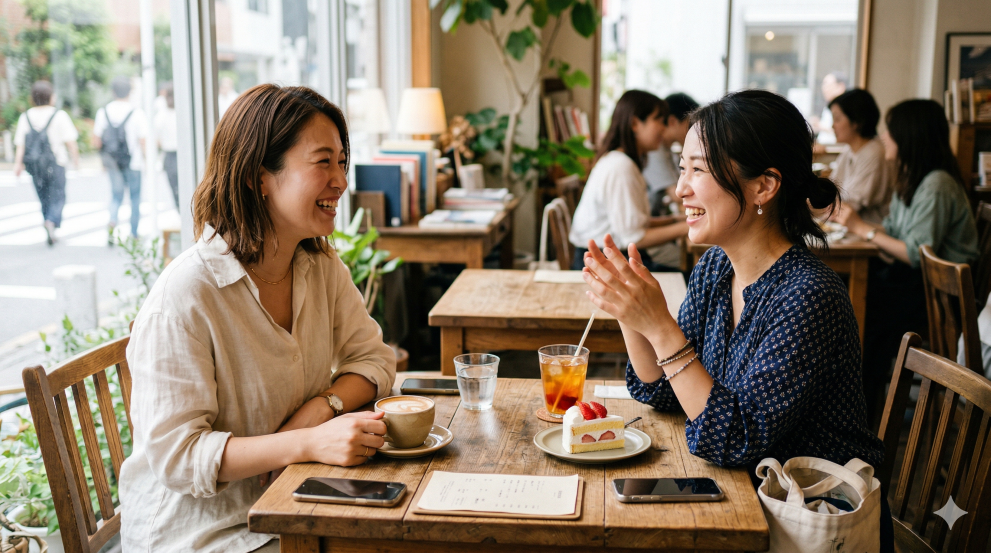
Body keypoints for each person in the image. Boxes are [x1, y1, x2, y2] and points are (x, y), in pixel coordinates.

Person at [580, 89, 890, 548]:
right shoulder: (716, 266)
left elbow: (732, 439)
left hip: (811, 520)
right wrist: (630, 310)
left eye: (699, 170)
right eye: (682, 167)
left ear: (765, 185)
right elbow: (664, 391)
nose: (682, 188)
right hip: (747, 501)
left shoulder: (808, 296)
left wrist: (661, 326)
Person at [119, 84, 396, 553]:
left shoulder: (318, 266)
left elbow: (374, 360)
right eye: (323, 161)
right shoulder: (186, 295)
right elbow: (179, 458)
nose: (341, 180)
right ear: (257, 176)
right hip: (206, 534)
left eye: (342, 161)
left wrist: (320, 409)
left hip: (296, 504)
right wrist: (305, 444)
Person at [835, 99, 978, 424]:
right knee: (848, 301)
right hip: (918, 285)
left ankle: (861, 420)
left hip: (939, 299)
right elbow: (896, 234)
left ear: (910, 136)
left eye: (891, 130)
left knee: (861, 317)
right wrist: (861, 228)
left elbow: (914, 252)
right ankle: (854, 412)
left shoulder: (937, 184)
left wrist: (862, 230)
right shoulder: (912, 180)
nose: (884, 137)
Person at [569, 90, 688, 271]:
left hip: (609, 258)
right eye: (658, 120)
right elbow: (634, 237)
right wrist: (688, 227)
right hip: (601, 264)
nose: (663, 128)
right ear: (634, 124)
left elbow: (634, 222)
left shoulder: (621, 160)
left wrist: (675, 220)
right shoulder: (621, 166)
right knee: (690, 280)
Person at [12, 81, 80, 246]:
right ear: (51, 97)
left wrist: (17, 164)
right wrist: (76, 160)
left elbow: (21, 144)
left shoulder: (26, 116)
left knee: (43, 195)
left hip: (34, 164)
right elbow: (70, 141)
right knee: (58, 195)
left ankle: (47, 220)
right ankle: (51, 221)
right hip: (56, 162)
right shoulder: (59, 115)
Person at [93, 76, 149, 243]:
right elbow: (143, 140)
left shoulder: (103, 112)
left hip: (112, 161)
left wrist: (103, 160)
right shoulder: (136, 112)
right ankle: (134, 233)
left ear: (113, 92)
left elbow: (96, 140)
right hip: (134, 161)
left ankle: (112, 222)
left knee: (116, 196)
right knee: (135, 197)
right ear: (130, 93)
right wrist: (146, 161)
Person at [828, 89, 893, 225]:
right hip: (849, 226)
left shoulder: (874, 152)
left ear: (856, 121)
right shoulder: (849, 149)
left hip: (871, 229)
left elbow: (852, 203)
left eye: (837, 119)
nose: (833, 125)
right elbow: (831, 189)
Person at [643, 92, 700, 216]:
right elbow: (676, 195)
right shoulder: (655, 151)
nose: (695, 130)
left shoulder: (667, 151)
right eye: (691, 124)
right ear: (673, 121)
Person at [154, 83, 180, 209]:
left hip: (169, 156)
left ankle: (182, 216)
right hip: (185, 155)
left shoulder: (161, 116)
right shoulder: (185, 114)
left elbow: (156, 140)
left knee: (176, 191)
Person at [814, 71, 848, 146]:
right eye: (823, 85)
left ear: (841, 86)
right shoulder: (828, 106)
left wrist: (820, 126)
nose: (825, 89)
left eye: (828, 85)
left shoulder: (845, 108)